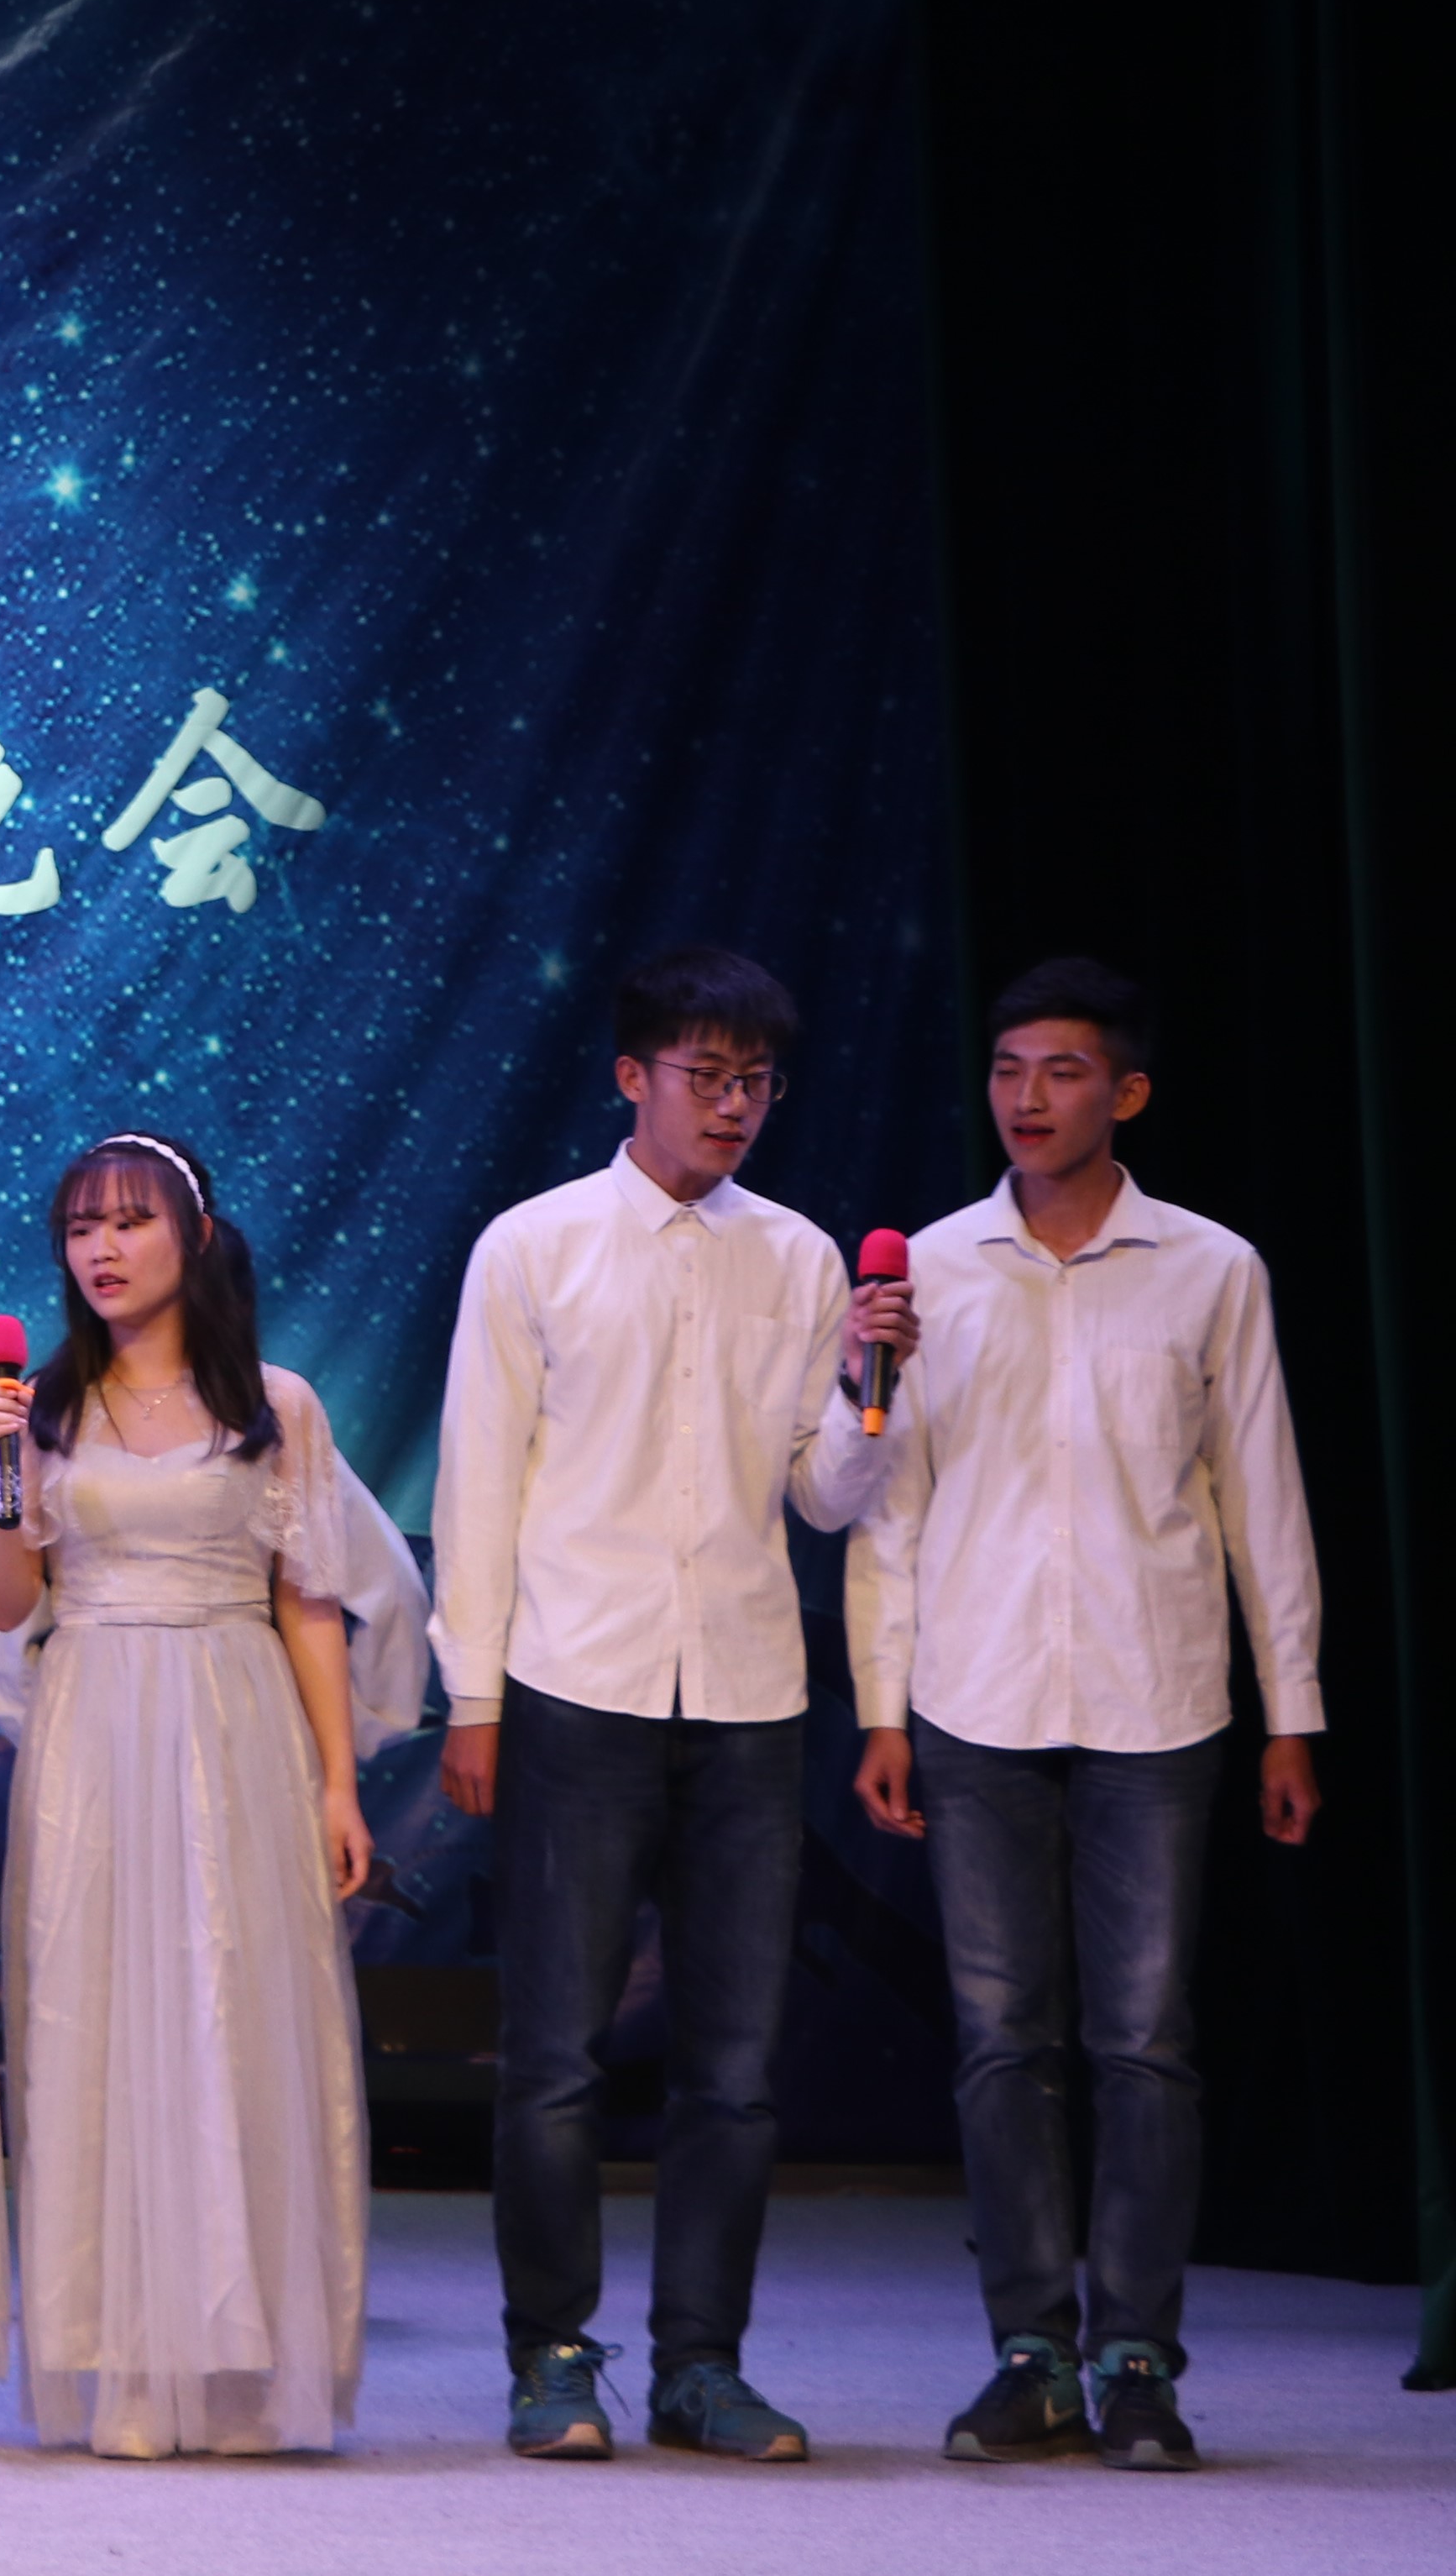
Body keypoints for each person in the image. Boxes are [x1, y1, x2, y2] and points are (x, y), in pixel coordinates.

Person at [432, 944, 916, 2463]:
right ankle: (552, 2356)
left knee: (734, 2062)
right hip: (577, 1678)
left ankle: (703, 2364)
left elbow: (824, 1494)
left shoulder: (803, 1258)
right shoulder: (535, 1245)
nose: (734, 1106)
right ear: (632, 1076)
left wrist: (873, 1392)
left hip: (749, 1693)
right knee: (559, 2053)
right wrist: (472, 1695)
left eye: (757, 1082)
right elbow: (478, 1483)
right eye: (706, 1076)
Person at [845, 958, 1325, 2474]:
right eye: (1007, 1070)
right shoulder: (931, 1269)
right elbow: (891, 1507)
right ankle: (1030, 2353)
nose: (1028, 1097)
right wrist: (881, 1709)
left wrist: (1293, 1712)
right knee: (1002, 2040)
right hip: (976, 1696)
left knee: (1145, 2041)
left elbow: (1260, 1497)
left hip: (1155, 1695)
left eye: (1061, 1072)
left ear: (1126, 1092)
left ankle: (1137, 2359)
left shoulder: (1210, 1269)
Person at [0, 1131, 370, 2458]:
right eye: (81, 1228)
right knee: (100, 2023)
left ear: (193, 1237)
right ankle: (125, 2364)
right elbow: (3, 1600)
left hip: (235, 1718)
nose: (103, 1250)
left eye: (130, 1222)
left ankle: (239, 2363)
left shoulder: (277, 1404)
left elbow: (311, 1602)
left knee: (233, 2015)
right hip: (92, 1728)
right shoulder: (44, 1409)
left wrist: (339, 1782)